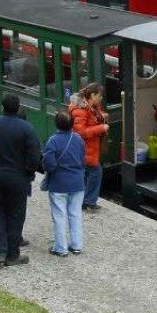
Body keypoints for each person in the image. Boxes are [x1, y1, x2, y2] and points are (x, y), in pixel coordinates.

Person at [0, 94, 42, 267]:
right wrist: (28, 172)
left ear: (2, 107)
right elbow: (35, 156)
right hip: (18, 177)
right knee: (15, 215)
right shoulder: (27, 128)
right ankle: (13, 255)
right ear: (19, 107)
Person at [42, 110, 86, 257]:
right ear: (72, 124)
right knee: (75, 214)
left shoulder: (52, 141)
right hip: (78, 183)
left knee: (59, 216)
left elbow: (49, 164)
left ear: (56, 124)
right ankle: (76, 245)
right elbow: (82, 160)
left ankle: (61, 248)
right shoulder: (78, 139)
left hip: (59, 184)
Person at [71, 82, 109, 211]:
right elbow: (81, 132)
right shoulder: (80, 110)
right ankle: (89, 202)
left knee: (87, 173)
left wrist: (102, 116)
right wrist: (101, 128)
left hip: (90, 148)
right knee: (95, 172)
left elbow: (93, 118)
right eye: (100, 95)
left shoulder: (92, 105)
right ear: (92, 95)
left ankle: (83, 201)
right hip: (84, 148)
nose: (101, 98)